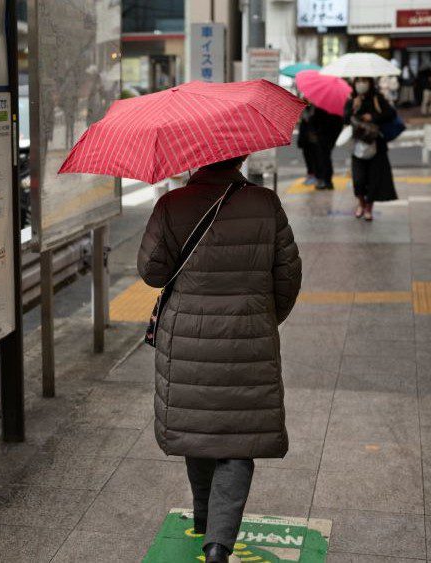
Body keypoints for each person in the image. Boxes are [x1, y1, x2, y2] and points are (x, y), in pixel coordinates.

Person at [138, 155, 301, 563]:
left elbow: (152, 273)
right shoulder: (266, 203)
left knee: (200, 427)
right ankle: (217, 544)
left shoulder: (172, 204)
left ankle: (203, 517)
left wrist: (165, 215)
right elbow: (288, 276)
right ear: (240, 154)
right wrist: (264, 319)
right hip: (248, 336)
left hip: (188, 338)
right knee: (237, 440)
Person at [344, 76, 398, 221]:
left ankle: (369, 207)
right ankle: (361, 203)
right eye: (359, 81)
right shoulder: (352, 100)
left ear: (370, 83)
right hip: (357, 146)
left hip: (376, 145)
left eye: (364, 81)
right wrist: (354, 107)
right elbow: (345, 119)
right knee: (359, 179)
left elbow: (391, 114)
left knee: (374, 179)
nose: (361, 84)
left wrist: (372, 116)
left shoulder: (377, 98)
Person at [308, 103, 344, 190]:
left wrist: (315, 129)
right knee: (326, 158)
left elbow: (313, 121)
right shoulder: (336, 108)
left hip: (322, 136)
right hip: (331, 136)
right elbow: (340, 122)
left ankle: (325, 180)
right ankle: (327, 181)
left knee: (323, 158)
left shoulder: (319, 107)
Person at [297, 105, 317, 185]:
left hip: (312, 138)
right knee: (307, 157)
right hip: (304, 138)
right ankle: (311, 174)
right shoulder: (304, 108)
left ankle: (314, 175)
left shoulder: (314, 109)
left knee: (313, 157)